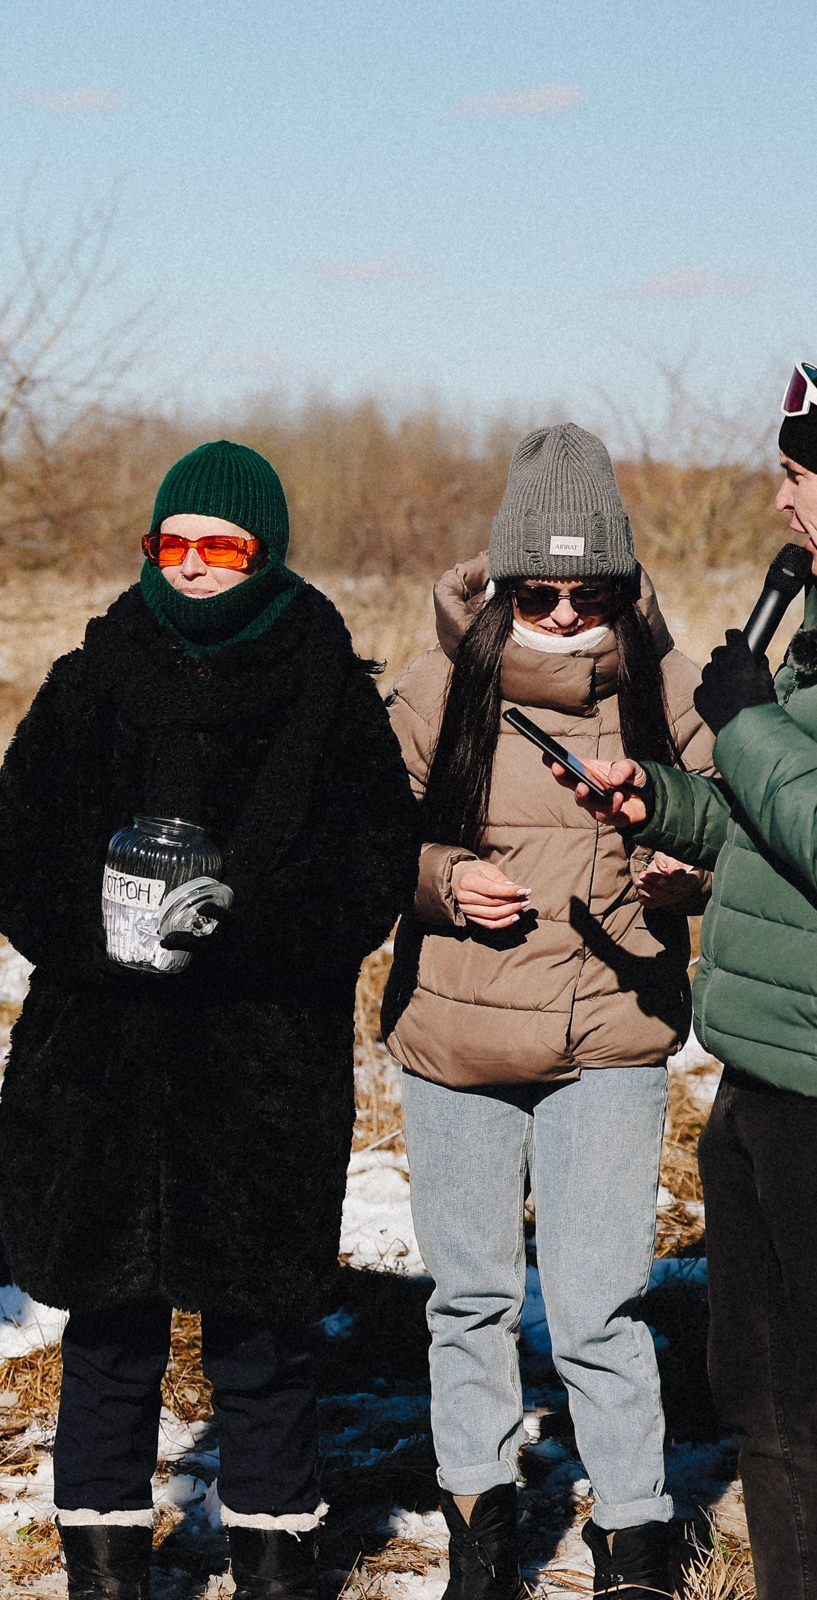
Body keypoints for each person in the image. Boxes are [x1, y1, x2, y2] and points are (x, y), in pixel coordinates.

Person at [0, 441, 418, 1600]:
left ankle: (274, 1564)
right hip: (101, 1061)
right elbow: (6, 842)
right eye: (175, 544)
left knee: (263, 1339)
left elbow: (370, 868)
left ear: (263, 555)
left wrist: (240, 930)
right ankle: (106, 1569)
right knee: (110, 1333)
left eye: (222, 546)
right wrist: (101, 929)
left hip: (261, 1069)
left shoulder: (329, 688)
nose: (196, 565)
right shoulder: (93, 676)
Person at [382, 424, 712, 1600]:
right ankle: (478, 1523)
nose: (566, 615)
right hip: (456, 1040)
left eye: (590, 592)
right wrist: (438, 878)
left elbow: (728, 825)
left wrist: (689, 875)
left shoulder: (671, 689)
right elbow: (365, 841)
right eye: (540, 591)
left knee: (599, 1305)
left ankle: (635, 1537)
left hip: (611, 1041)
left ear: (622, 585)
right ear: (504, 580)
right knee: (467, 1300)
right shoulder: (439, 687)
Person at [559, 365, 817, 1600]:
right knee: (762, 1395)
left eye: (799, 474)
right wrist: (665, 800)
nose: (779, 502)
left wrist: (751, 726)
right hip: (761, 1067)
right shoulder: (812, 626)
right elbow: (776, 834)